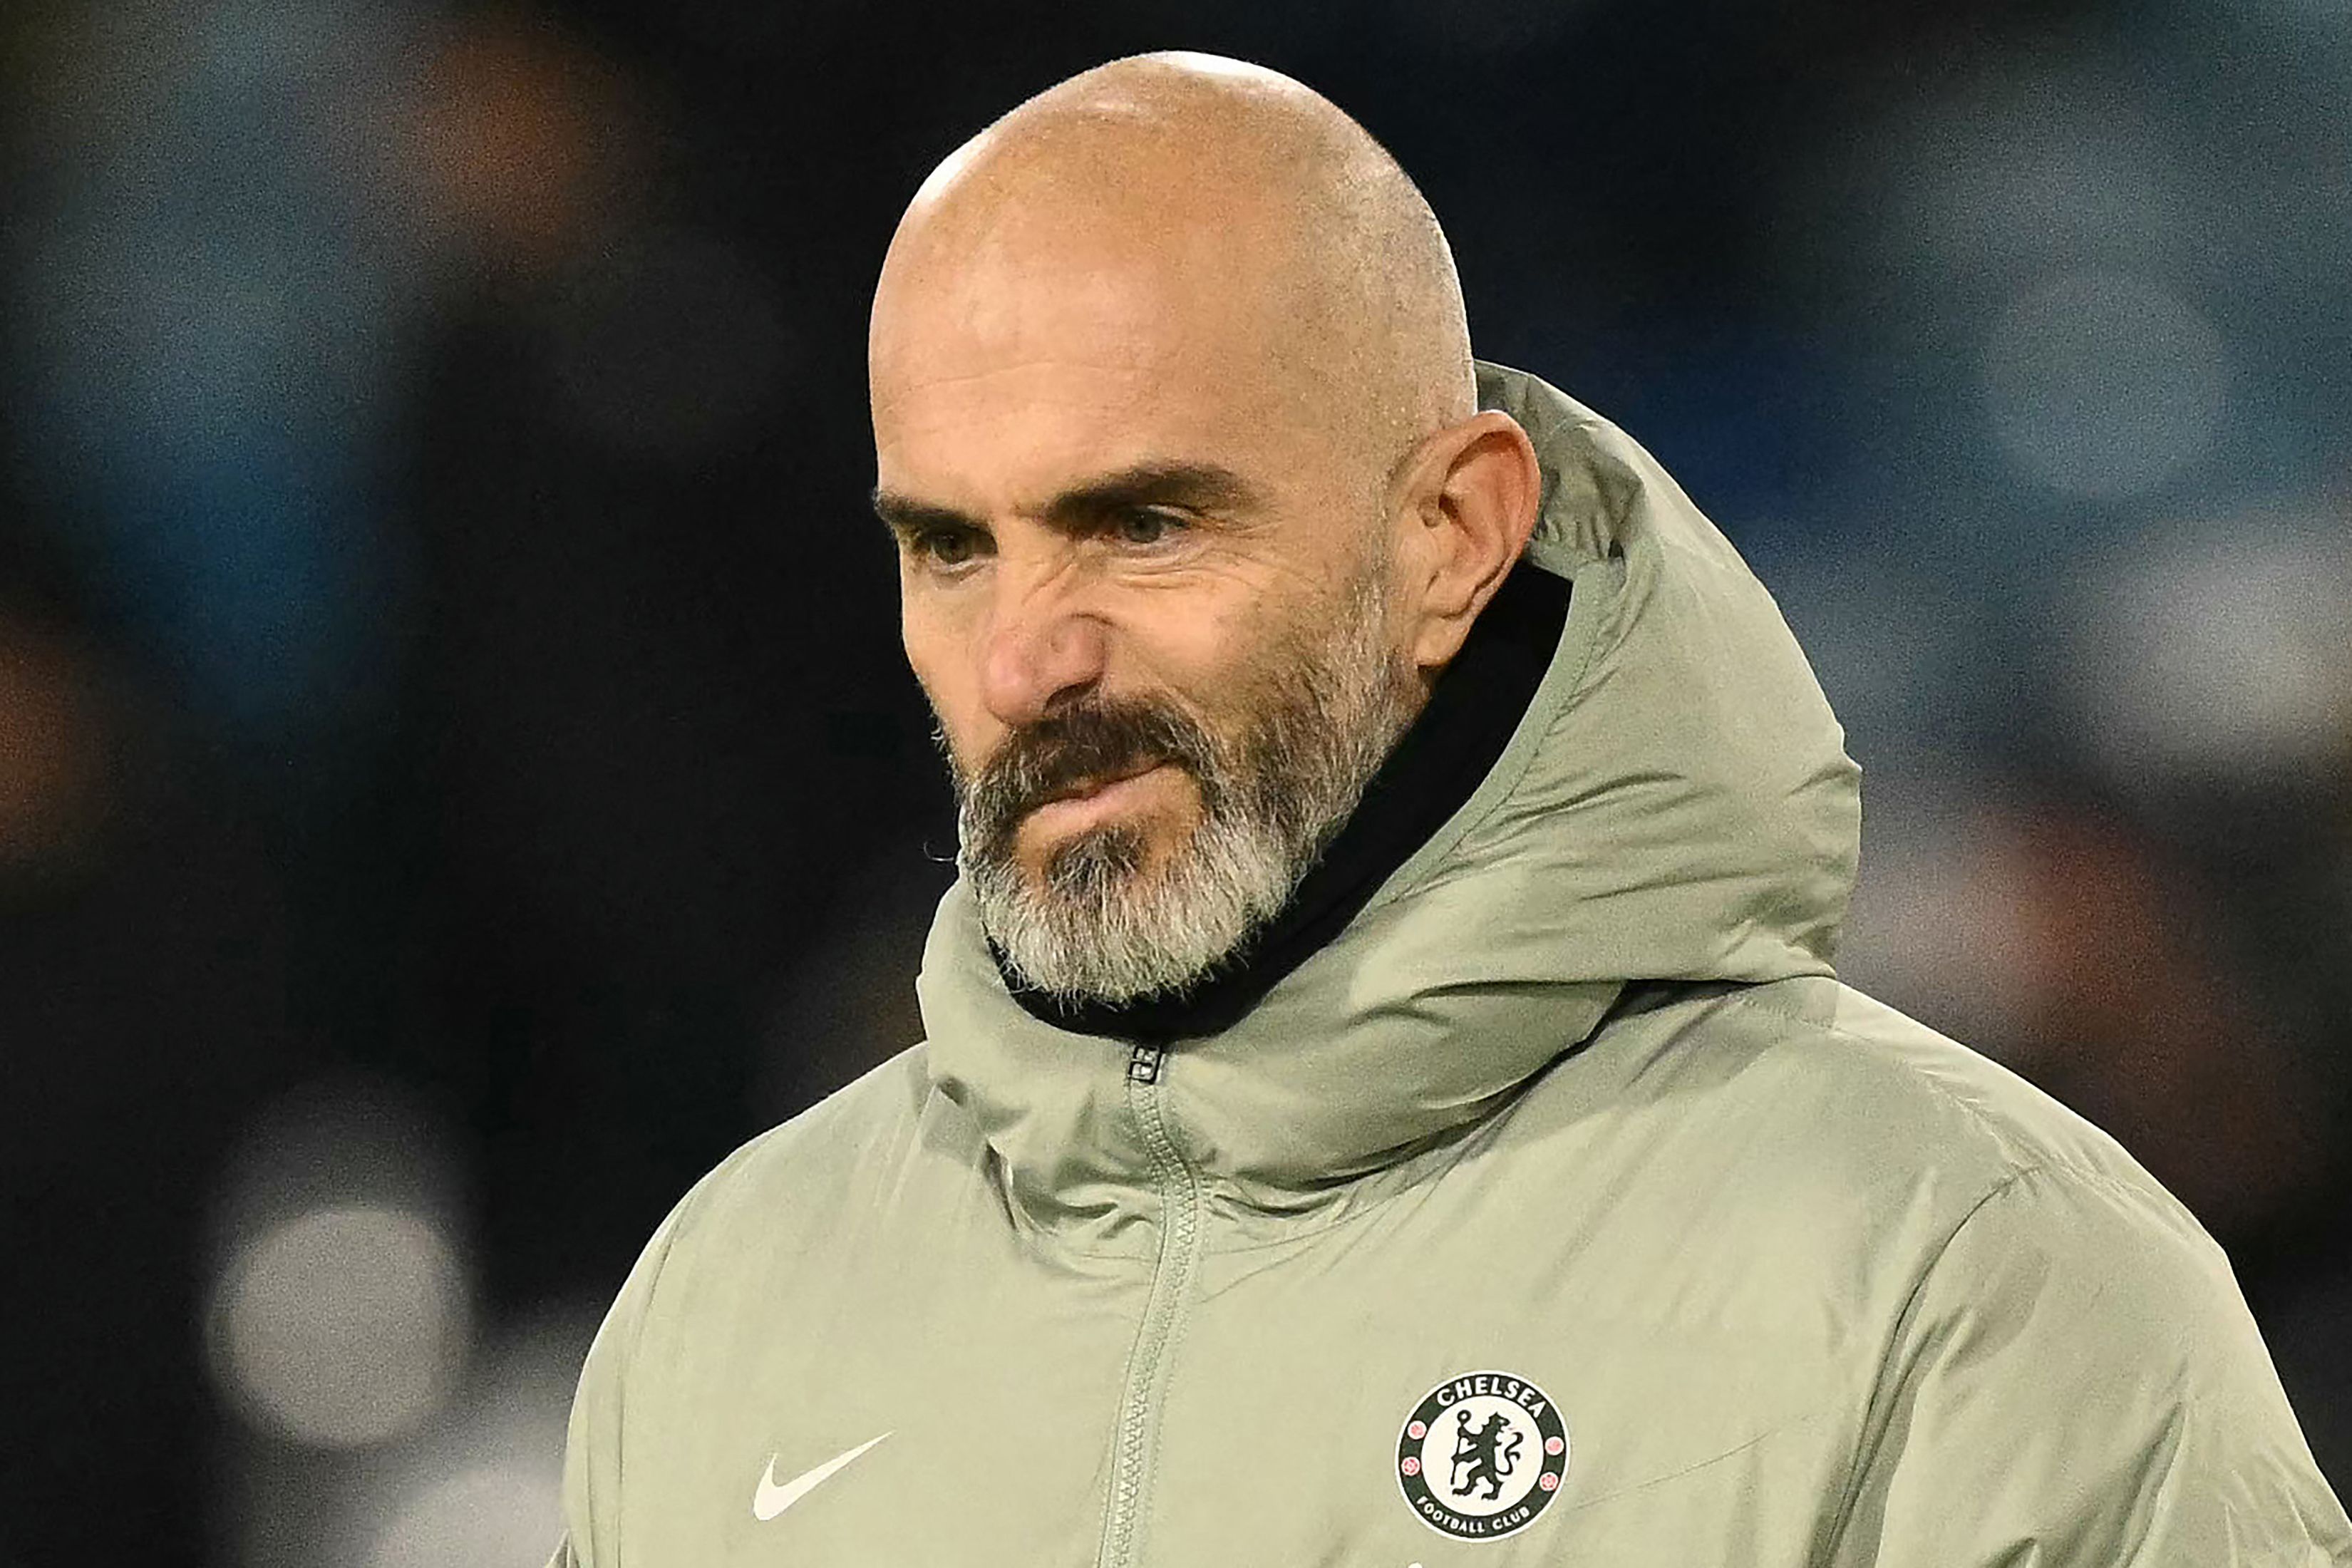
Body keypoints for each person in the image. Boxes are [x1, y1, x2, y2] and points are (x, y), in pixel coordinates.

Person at [548, 52, 2350, 1566]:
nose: (1028, 658)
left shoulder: (1965, 1279)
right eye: (952, 547)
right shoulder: (731, 1299)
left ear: (1453, 535)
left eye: (1145, 524)